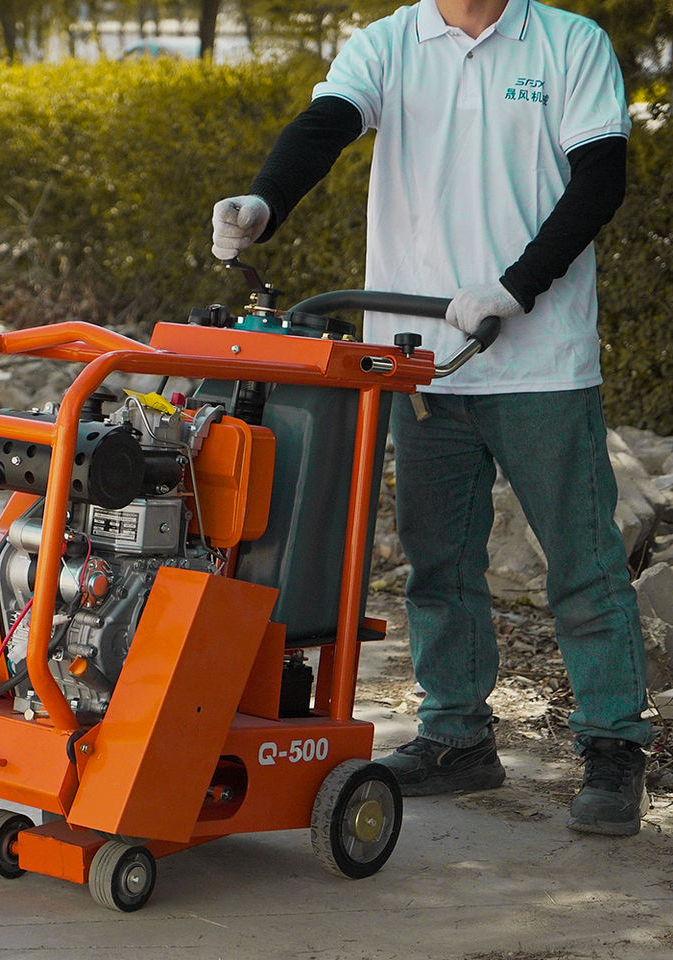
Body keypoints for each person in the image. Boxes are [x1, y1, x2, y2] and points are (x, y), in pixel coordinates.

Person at [211, 0, 654, 837]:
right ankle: (456, 736)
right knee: (437, 564)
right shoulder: (388, 43)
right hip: (418, 362)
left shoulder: (569, 42)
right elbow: (325, 127)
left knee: (584, 565)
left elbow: (600, 181)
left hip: (540, 362)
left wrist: (516, 286)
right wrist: (263, 202)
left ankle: (613, 744)